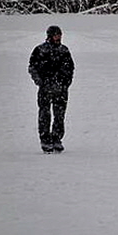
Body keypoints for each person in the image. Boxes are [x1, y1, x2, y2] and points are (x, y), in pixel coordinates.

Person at [28, 25, 75, 153]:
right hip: (45, 89)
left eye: (60, 35)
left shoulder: (64, 50)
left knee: (59, 115)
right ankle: (45, 140)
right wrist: (40, 82)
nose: (58, 37)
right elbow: (32, 67)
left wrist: (65, 84)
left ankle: (56, 139)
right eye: (56, 35)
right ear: (50, 36)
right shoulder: (40, 50)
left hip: (61, 89)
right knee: (45, 114)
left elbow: (70, 69)